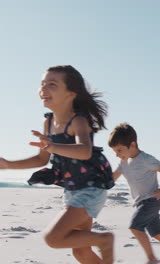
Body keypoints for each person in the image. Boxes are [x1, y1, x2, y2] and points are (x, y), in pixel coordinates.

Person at [0, 65, 115, 263]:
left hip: (91, 188)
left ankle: (105, 240)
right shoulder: (49, 122)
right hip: (72, 189)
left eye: (51, 85)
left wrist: (53, 147)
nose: (43, 89)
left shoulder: (78, 121)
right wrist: (8, 164)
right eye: (42, 84)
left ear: (71, 93)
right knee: (80, 251)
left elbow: (85, 151)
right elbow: (41, 159)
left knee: (53, 238)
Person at [108, 123, 160, 264]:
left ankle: (152, 259)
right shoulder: (124, 163)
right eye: (115, 152)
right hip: (140, 202)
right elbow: (111, 180)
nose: (117, 154)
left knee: (135, 227)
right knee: (158, 234)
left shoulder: (145, 159)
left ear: (132, 144)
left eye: (119, 150)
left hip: (151, 200)